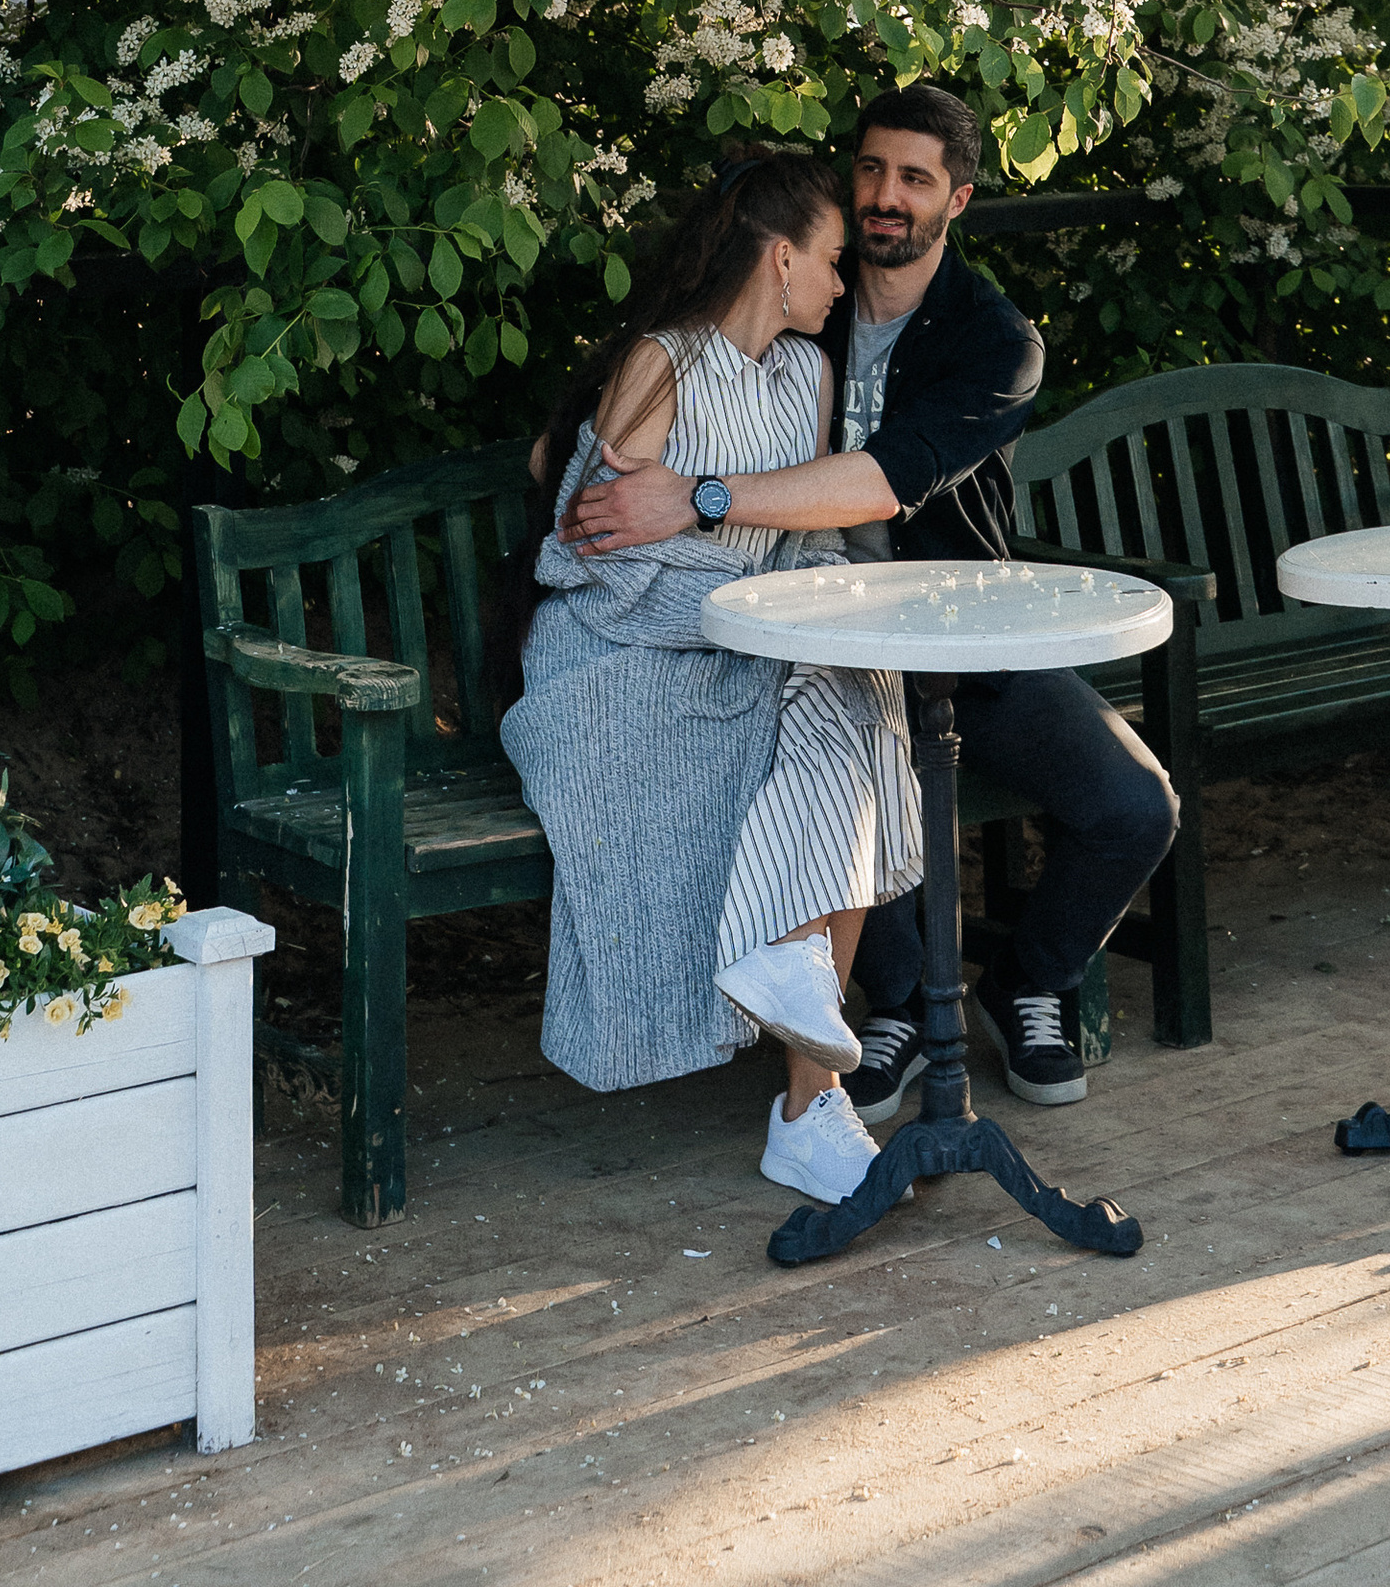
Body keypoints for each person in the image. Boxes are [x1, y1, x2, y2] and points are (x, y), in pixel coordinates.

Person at [563, 86, 1179, 1115]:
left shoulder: (994, 339)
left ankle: (1025, 983)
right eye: (871, 171)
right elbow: (676, 376)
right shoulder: (812, 291)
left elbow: (887, 478)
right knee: (847, 776)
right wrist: (594, 455)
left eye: (914, 179)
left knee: (1133, 806)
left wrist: (699, 500)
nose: (886, 197)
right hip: (803, 627)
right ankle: (887, 1003)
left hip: (951, 623)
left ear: (958, 199)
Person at [493, 151, 922, 1207]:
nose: (841, 284)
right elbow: (597, 558)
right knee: (813, 707)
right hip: (619, 660)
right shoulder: (662, 365)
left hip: (745, 641)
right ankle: (807, 1076)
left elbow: (789, 543)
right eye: (828, 261)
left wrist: (802, 605)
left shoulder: (804, 374)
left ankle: (797, 1032)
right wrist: (750, 616)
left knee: (862, 694)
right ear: (780, 260)